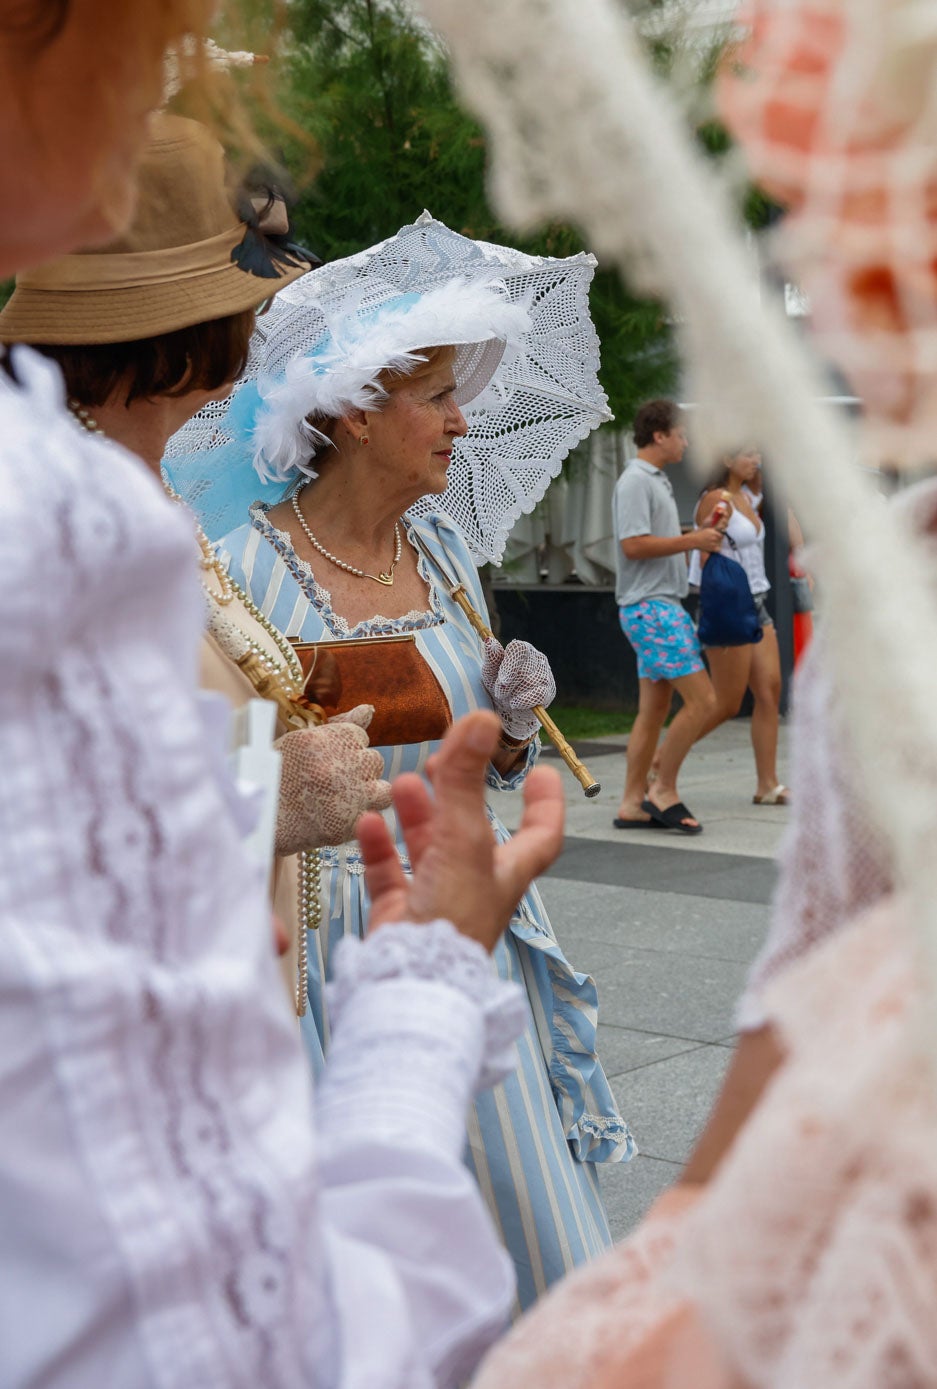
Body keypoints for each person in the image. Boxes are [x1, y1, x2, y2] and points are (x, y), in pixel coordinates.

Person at [0, 7, 565, 1384]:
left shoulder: (120, 514)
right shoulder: (74, 541)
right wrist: (296, 803)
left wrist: (497, 708)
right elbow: (247, 1337)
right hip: (304, 988)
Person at [207, 265, 633, 1310]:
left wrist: (512, 728)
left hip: (460, 933)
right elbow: (189, 786)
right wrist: (271, 786)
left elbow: (481, 760)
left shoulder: (441, 554)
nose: (461, 420)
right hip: (318, 949)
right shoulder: (228, 575)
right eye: (437, 396)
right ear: (354, 411)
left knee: (527, 1229)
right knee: (365, 1274)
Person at [0, 110, 394, 1009]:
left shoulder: (126, 480)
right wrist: (265, 796)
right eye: (251, 297)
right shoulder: (40, 509)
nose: (265, 317)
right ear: (180, 325)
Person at [612, 398, 721, 834]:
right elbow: (633, 545)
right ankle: (664, 790)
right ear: (660, 435)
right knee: (704, 701)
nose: (687, 442)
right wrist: (694, 543)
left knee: (653, 711)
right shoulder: (637, 480)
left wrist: (695, 532)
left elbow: (650, 536)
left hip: (653, 605)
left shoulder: (650, 478)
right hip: (653, 607)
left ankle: (631, 803)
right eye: (681, 434)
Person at [688, 448, 788, 806]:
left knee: (769, 690)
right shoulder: (716, 499)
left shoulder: (747, 496)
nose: (757, 458)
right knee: (725, 703)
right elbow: (701, 551)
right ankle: (661, 760)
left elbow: (770, 489)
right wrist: (713, 531)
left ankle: (768, 784)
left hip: (757, 601)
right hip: (729, 605)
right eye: (749, 452)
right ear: (727, 458)